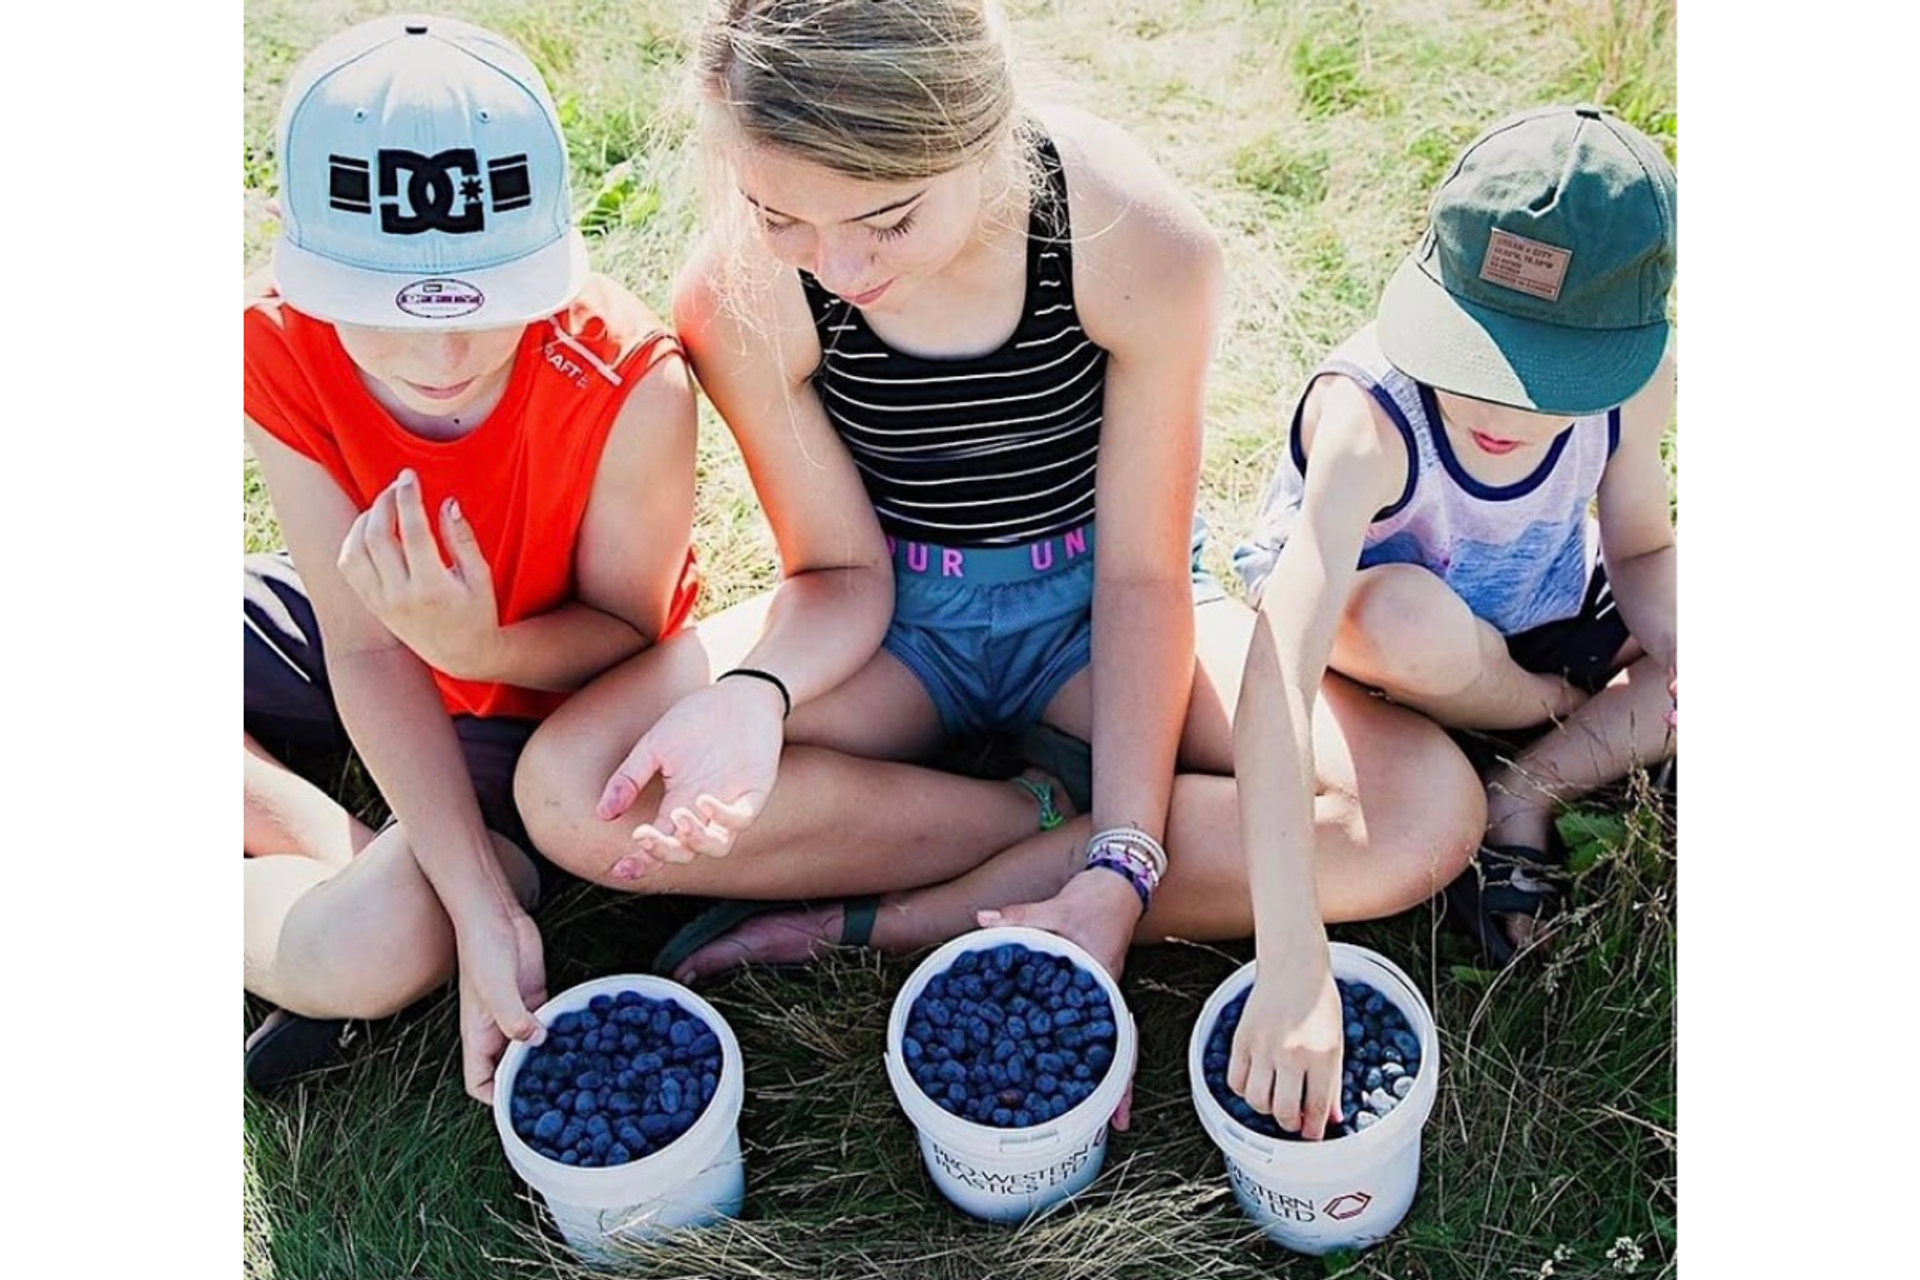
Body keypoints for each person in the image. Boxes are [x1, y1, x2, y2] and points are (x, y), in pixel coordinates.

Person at [513, 0, 1484, 1131]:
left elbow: (1140, 578)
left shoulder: (1135, 241)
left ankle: (943, 898)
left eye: (886, 217)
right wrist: (752, 695)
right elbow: (836, 571)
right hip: (894, 623)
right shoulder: (743, 281)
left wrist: (1124, 862)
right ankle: (1029, 820)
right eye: (782, 216)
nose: (840, 265)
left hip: (1097, 605)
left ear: (982, 137)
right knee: (572, 795)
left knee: (1421, 809)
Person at [242, 14, 702, 1100]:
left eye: (489, 304)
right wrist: (479, 900)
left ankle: (370, 889)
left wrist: (476, 638)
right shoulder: (273, 343)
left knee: (369, 946)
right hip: (366, 631)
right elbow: (361, 642)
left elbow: (629, 639)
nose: (440, 356)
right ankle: (353, 845)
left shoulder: (629, 380)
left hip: (536, 701)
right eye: (381, 314)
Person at [1225, 104, 1678, 1136]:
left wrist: (1684, 648)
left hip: (1541, 606)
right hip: (1382, 639)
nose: (1497, 404)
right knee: (1415, 622)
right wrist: (1291, 955)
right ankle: (1558, 712)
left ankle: (1528, 783)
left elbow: (1642, 547)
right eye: (1468, 345)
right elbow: (1278, 668)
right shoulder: (1369, 422)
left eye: (1546, 382)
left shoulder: (1637, 388)